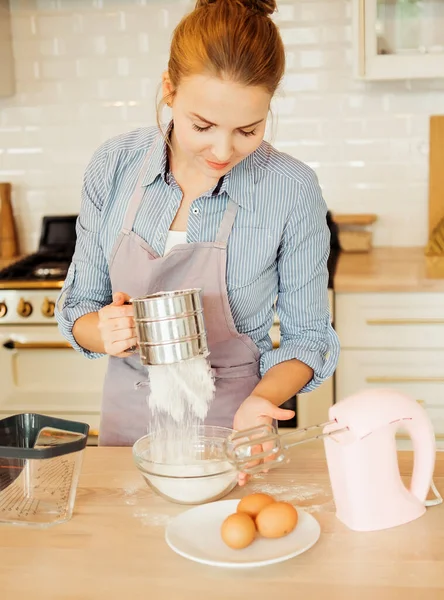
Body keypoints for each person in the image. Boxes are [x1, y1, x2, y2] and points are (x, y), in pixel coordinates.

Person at [55, 0, 340, 480]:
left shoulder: (290, 189)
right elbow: (79, 305)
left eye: (248, 129)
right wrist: (101, 331)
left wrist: (262, 401)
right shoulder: (116, 165)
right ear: (169, 89)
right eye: (202, 126)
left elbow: (308, 338)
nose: (224, 150)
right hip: (128, 430)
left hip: (235, 428)